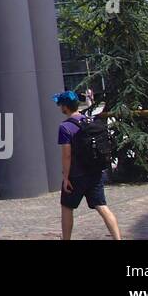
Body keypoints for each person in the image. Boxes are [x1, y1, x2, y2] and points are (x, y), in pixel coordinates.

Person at [54, 91, 120, 240]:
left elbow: (67, 155)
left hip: (76, 175)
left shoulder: (65, 127)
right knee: (102, 206)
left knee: (67, 207)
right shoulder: (90, 121)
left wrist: (66, 177)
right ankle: (118, 238)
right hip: (95, 171)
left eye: (60, 105)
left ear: (65, 107)